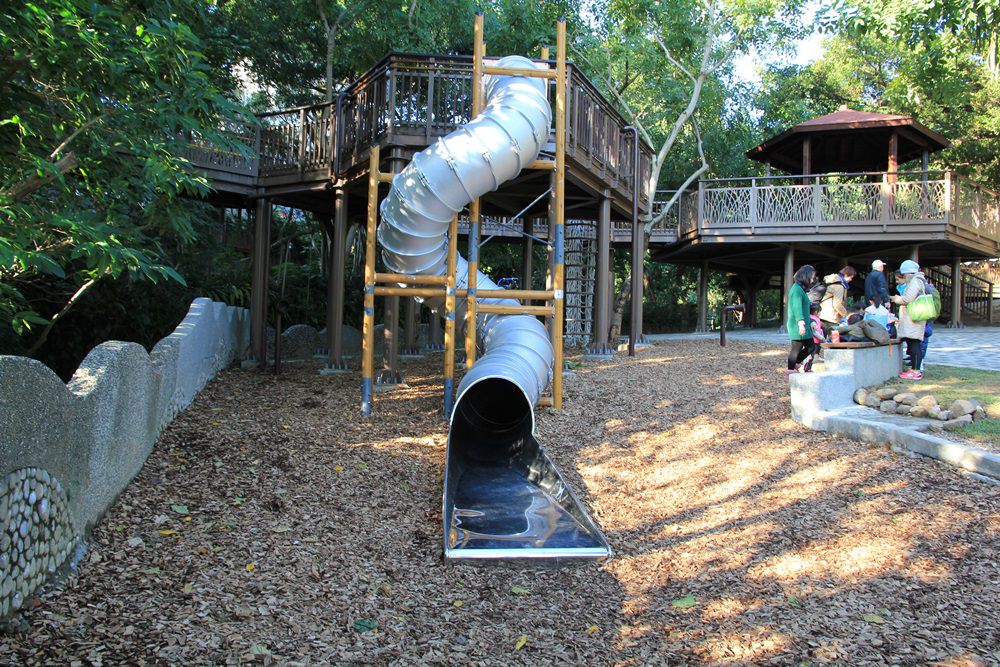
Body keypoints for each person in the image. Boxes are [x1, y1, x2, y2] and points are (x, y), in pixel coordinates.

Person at [891, 259, 928, 380]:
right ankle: (914, 369)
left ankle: (915, 371)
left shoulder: (915, 281)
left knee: (914, 343)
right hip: (914, 317)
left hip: (913, 318)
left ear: (908, 273)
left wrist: (896, 299)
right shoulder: (919, 280)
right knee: (913, 343)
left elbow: (907, 299)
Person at [786, 264, 816, 376]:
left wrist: (811, 322)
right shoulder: (796, 290)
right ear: (806, 275)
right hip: (797, 325)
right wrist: (801, 323)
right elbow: (797, 307)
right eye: (812, 276)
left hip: (804, 324)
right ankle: (790, 372)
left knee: (811, 347)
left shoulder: (801, 289)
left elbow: (804, 309)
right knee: (796, 349)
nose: (813, 279)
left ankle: (793, 366)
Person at [818, 266, 857, 336]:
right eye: (851, 277)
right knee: (832, 340)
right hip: (831, 317)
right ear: (847, 275)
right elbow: (837, 304)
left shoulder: (832, 282)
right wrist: (846, 314)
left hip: (823, 314)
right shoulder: (839, 286)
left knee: (824, 339)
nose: (851, 280)